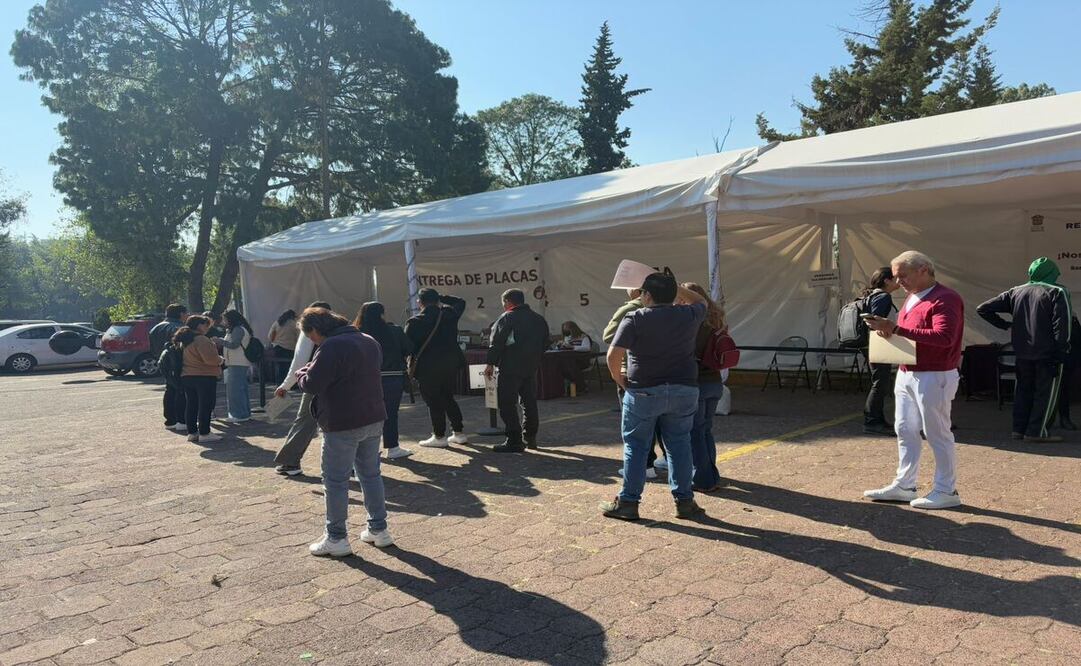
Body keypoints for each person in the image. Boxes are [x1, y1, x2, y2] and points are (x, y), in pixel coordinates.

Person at [601, 273, 707, 521]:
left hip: (644, 390)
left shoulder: (635, 318)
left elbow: (612, 356)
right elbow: (701, 300)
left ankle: (629, 502)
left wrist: (620, 380)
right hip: (684, 388)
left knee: (636, 447)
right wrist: (677, 286)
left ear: (646, 295)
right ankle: (685, 502)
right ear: (674, 295)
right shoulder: (688, 315)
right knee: (679, 446)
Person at [864, 250, 965, 510]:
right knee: (905, 429)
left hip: (934, 373)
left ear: (923, 269)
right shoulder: (911, 297)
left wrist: (895, 329)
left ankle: (946, 489)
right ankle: (905, 485)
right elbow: (913, 335)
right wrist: (889, 333)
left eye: (903, 275)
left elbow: (945, 337)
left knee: (937, 432)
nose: (898, 282)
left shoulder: (946, 298)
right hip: (908, 372)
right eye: (896, 277)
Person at [295, 307, 391, 557]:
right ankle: (379, 529)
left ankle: (336, 537)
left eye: (310, 336)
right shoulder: (368, 340)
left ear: (315, 330)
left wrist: (301, 373)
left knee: (335, 481)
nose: (312, 341)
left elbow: (313, 383)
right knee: (371, 475)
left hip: (342, 420)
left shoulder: (332, 346)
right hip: (373, 415)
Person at [976, 257, 1071, 443]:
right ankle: (1037, 431)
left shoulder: (1016, 291)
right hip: (1048, 353)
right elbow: (1062, 325)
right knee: (1045, 393)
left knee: (1023, 391)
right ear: (1053, 273)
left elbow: (983, 309)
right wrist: (1062, 352)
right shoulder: (1058, 291)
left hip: (1022, 352)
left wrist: (1005, 325)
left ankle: (1018, 429)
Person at [604, 288, 664, 479]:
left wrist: (617, 376)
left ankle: (642, 469)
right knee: (663, 424)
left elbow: (609, 336)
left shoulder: (631, 311)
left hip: (634, 373)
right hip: (664, 374)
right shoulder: (673, 310)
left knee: (636, 428)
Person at [484, 289, 550, 452]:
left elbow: (496, 342)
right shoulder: (538, 319)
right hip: (531, 366)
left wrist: (490, 363)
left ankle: (514, 439)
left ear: (508, 302)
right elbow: (546, 342)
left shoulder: (507, 317)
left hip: (510, 366)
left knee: (507, 403)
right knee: (529, 402)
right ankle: (530, 437)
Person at [273, 300, 332, 476]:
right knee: (343, 423)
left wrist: (286, 385)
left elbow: (299, 360)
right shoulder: (341, 329)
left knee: (305, 421)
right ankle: (352, 464)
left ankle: (290, 462)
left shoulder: (310, 329)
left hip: (316, 381)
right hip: (341, 383)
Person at [405, 289, 469, 448]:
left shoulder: (414, 322)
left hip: (427, 366)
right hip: (450, 363)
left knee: (433, 401)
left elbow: (407, 347)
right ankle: (459, 433)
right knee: (448, 397)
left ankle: (439, 435)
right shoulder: (449, 315)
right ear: (437, 300)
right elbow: (461, 301)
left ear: (420, 303)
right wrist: (440, 297)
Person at [356, 302, 415, 460]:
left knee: (366, 414)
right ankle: (393, 447)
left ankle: (367, 450)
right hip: (393, 377)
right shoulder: (394, 330)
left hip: (365, 379)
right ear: (382, 314)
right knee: (390, 414)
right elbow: (409, 349)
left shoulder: (358, 333)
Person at [682, 282, 726, 492]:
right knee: (706, 431)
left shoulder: (693, 321)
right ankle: (712, 474)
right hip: (715, 381)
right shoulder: (717, 319)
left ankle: (703, 479)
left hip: (696, 382)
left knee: (695, 433)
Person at [860, 267, 902, 436]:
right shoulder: (883, 296)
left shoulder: (873, 295)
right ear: (887, 281)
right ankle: (872, 420)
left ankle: (877, 419)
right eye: (895, 278)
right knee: (880, 383)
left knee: (880, 382)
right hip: (879, 344)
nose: (899, 282)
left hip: (873, 344)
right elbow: (874, 319)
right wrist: (882, 329)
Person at [176, 315, 223, 444]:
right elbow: (210, 359)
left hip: (187, 375)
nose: (207, 328)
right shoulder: (201, 339)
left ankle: (192, 432)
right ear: (199, 325)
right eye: (206, 325)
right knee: (205, 405)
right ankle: (205, 432)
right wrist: (220, 360)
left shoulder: (185, 339)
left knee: (191, 404)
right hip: (204, 376)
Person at [150, 303, 188, 432]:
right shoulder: (179, 328)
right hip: (178, 362)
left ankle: (170, 420)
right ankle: (180, 419)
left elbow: (152, 347)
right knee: (181, 391)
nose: (187, 316)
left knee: (170, 390)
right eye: (186, 313)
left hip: (163, 362)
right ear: (181, 314)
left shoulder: (156, 328)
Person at [219, 309, 253, 424]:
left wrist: (219, 341)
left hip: (237, 362)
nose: (223, 321)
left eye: (224, 319)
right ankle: (244, 413)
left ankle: (238, 414)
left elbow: (234, 345)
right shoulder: (238, 329)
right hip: (237, 362)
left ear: (230, 319)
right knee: (240, 389)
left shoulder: (238, 329)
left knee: (235, 390)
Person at [553, 321, 595, 393]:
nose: (567, 332)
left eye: (568, 330)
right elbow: (563, 348)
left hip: (583, 360)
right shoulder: (568, 338)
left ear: (573, 329)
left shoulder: (583, 337)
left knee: (570, 365)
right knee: (562, 365)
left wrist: (572, 347)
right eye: (565, 330)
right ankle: (570, 387)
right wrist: (559, 346)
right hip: (571, 360)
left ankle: (580, 387)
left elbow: (587, 348)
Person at [1058, 315, 1081, 430]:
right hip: (1052, 356)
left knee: (1063, 389)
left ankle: (1064, 417)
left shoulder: (1072, 318)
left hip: (1067, 358)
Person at [268, 310, 299, 384]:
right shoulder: (294, 324)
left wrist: (274, 342)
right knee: (289, 367)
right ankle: (290, 384)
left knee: (279, 367)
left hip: (277, 349)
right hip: (290, 350)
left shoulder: (277, 322)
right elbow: (298, 338)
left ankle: (279, 383)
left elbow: (270, 336)